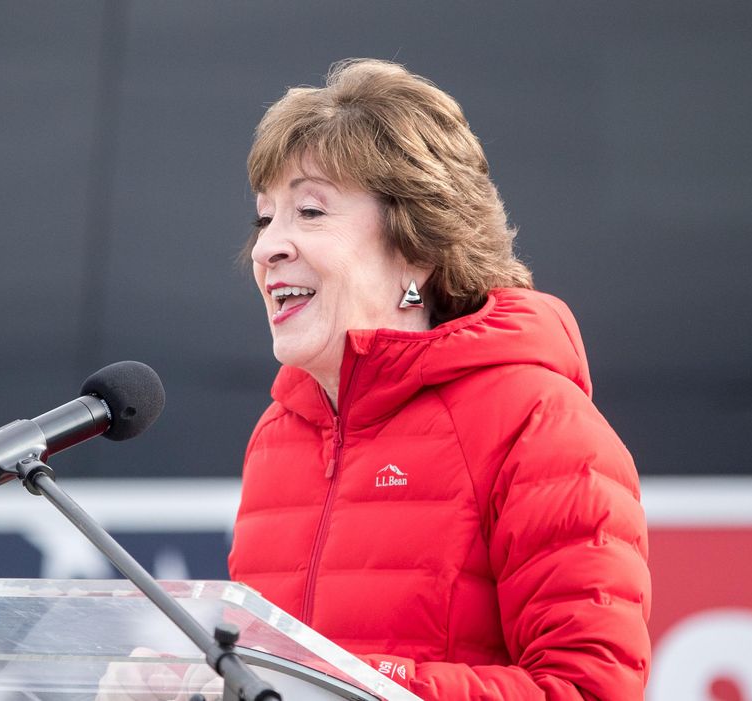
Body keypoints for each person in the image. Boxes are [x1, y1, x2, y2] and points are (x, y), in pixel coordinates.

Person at [227, 59, 650, 699]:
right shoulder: (278, 435)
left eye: (310, 212)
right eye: (265, 218)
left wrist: (359, 686)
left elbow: (590, 689)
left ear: (418, 248)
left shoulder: (538, 422)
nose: (267, 248)